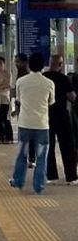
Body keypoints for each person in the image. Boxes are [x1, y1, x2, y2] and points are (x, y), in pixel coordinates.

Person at [11, 52, 54, 195]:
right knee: (41, 157)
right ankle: (39, 186)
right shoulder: (49, 83)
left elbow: (18, 100)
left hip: (25, 124)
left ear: (29, 65)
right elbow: (51, 102)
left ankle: (18, 181)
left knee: (21, 154)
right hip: (42, 125)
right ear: (43, 65)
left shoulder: (21, 82)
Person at [44, 55, 77, 185]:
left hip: (46, 116)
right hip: (62, 116)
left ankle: (51, 176)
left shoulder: (44, 78)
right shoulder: (64, 79)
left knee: (49, 146)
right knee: (67, 146)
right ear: (60, 65)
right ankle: (71, 177)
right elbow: (72, 97)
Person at [13, 53, 36, 167]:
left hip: (29, 110)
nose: (16, 64)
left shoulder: (26, 76)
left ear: (25, 62)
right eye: (15, 61)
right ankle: (26, 158)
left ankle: (31, 158)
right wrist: (16, 109)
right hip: (22, 110)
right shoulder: (19, 76)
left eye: (18, 61)